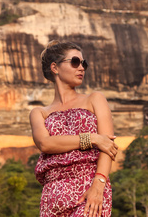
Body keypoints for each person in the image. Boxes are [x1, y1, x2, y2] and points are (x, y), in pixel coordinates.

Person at [30, 40, 118, 217]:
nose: (82, 68)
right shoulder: (39, 112)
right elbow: (46, 144)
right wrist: (92, 138)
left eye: (83, 63)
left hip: (89, 188)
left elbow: (107, 147)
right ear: (55, 68)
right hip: (52, 195)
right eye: (75, 62)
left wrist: (98, 185)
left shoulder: (94, 99)